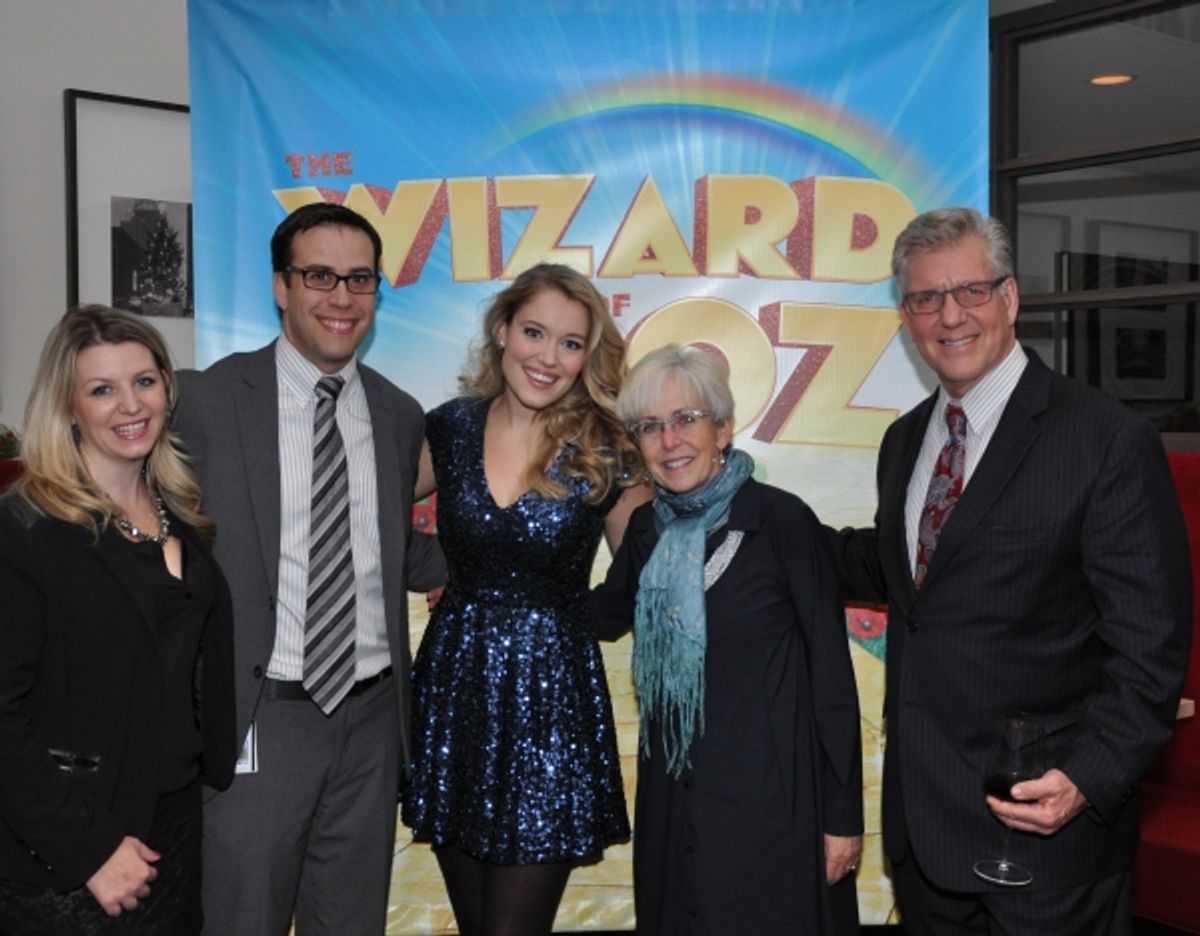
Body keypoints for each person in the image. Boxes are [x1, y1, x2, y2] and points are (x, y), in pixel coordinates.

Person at [830, 207, 1193, 935]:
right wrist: (743, 517)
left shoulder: (1106, 440)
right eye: (927, 298)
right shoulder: (905, 442)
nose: (950, 315)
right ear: (906, 317)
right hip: (925, 835)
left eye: (971, 290)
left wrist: (1088, 778)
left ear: (1010, 297)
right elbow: (904, 572)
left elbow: (1152, 649)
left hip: (1044, 836)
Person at [174, 202, 444, 936]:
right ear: (280, 286)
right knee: (242, 920)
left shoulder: (398, 415)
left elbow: (394, 546)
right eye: (319, 275)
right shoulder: (203, 401)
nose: (341, 297)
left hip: (371, 724)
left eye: (360, 279)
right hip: (259, 715)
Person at [401, 263, 649, 934]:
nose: (548, 357)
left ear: (587, 356)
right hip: (454, 697)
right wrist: (432, 568)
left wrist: (588, 618)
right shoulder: (449, 429)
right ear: (503, 331)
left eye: (570, 343)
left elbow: (649, 573)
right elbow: (368, 511)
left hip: (552, 707)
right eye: (534, 332)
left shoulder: (608, 446)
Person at [590, 343, 863, 935]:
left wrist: (842, 818)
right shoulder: (646, 530)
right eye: (651, 427)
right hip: (674, 799)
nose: (670, 441)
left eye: (686, 419)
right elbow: (602, 615)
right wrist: (501, 585)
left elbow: (831, 675)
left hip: (773, 804)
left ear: (723, 427)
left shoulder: (782, 521)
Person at [0, 305, 236, 935]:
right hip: (71, 851)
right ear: (68, 406)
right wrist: (90, 850)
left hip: (175, 824)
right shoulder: (25, 529)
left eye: (144, 381)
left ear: (167, 387)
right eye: (101, 389)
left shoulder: (180, 513)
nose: (129, 405)